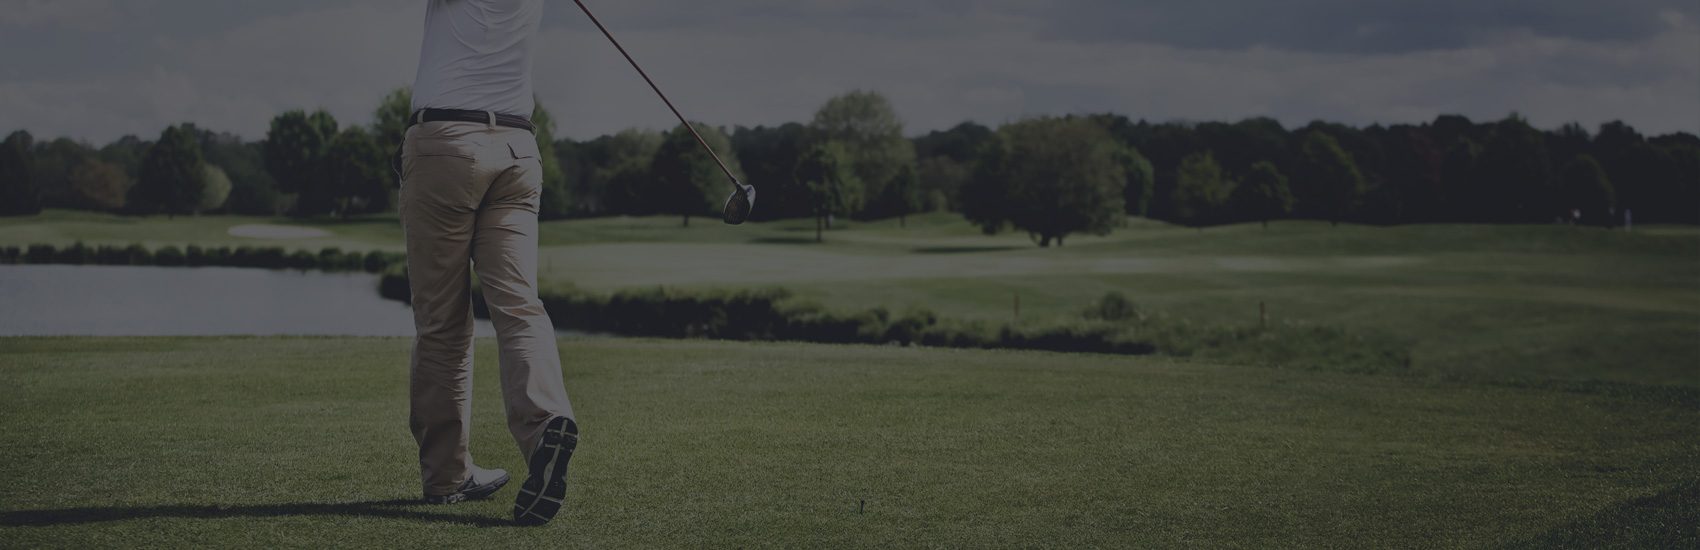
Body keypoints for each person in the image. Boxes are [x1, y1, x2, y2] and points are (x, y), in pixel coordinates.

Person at [394, 0, 577, 526]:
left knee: (442, 321)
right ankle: (548, 423)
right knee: (520, 306)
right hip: (518, 149)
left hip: (446, 144)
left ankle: (446, 476)